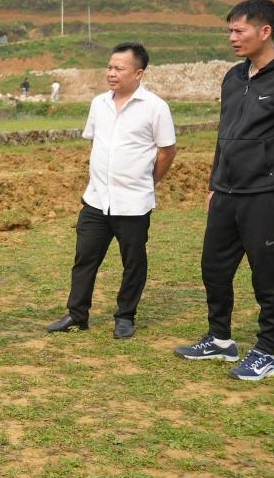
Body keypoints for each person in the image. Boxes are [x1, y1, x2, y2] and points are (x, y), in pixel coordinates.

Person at [175, 0, 274, 381]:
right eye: (230, 31)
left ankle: (266, 351)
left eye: (239, 31)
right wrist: (214, 182)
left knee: (267, 274)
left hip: (268, 194)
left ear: (265, 31)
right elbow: (225, 136)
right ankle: (220, 339)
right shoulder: (234, 77)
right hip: (227, 192)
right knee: (214, 268)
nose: (232, 38)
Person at [47, 43, 177, 339]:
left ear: (139, 73)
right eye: (109, 67)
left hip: (133, 203)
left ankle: (125, 315)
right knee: (85, 259)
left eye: (119, 69)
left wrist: (147, 181)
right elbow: (97, 145)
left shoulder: (155, 107)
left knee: (133, 261)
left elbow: (167, 152)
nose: (111, 73)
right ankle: (77, 314)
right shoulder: (99, 104)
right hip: (96, 200)